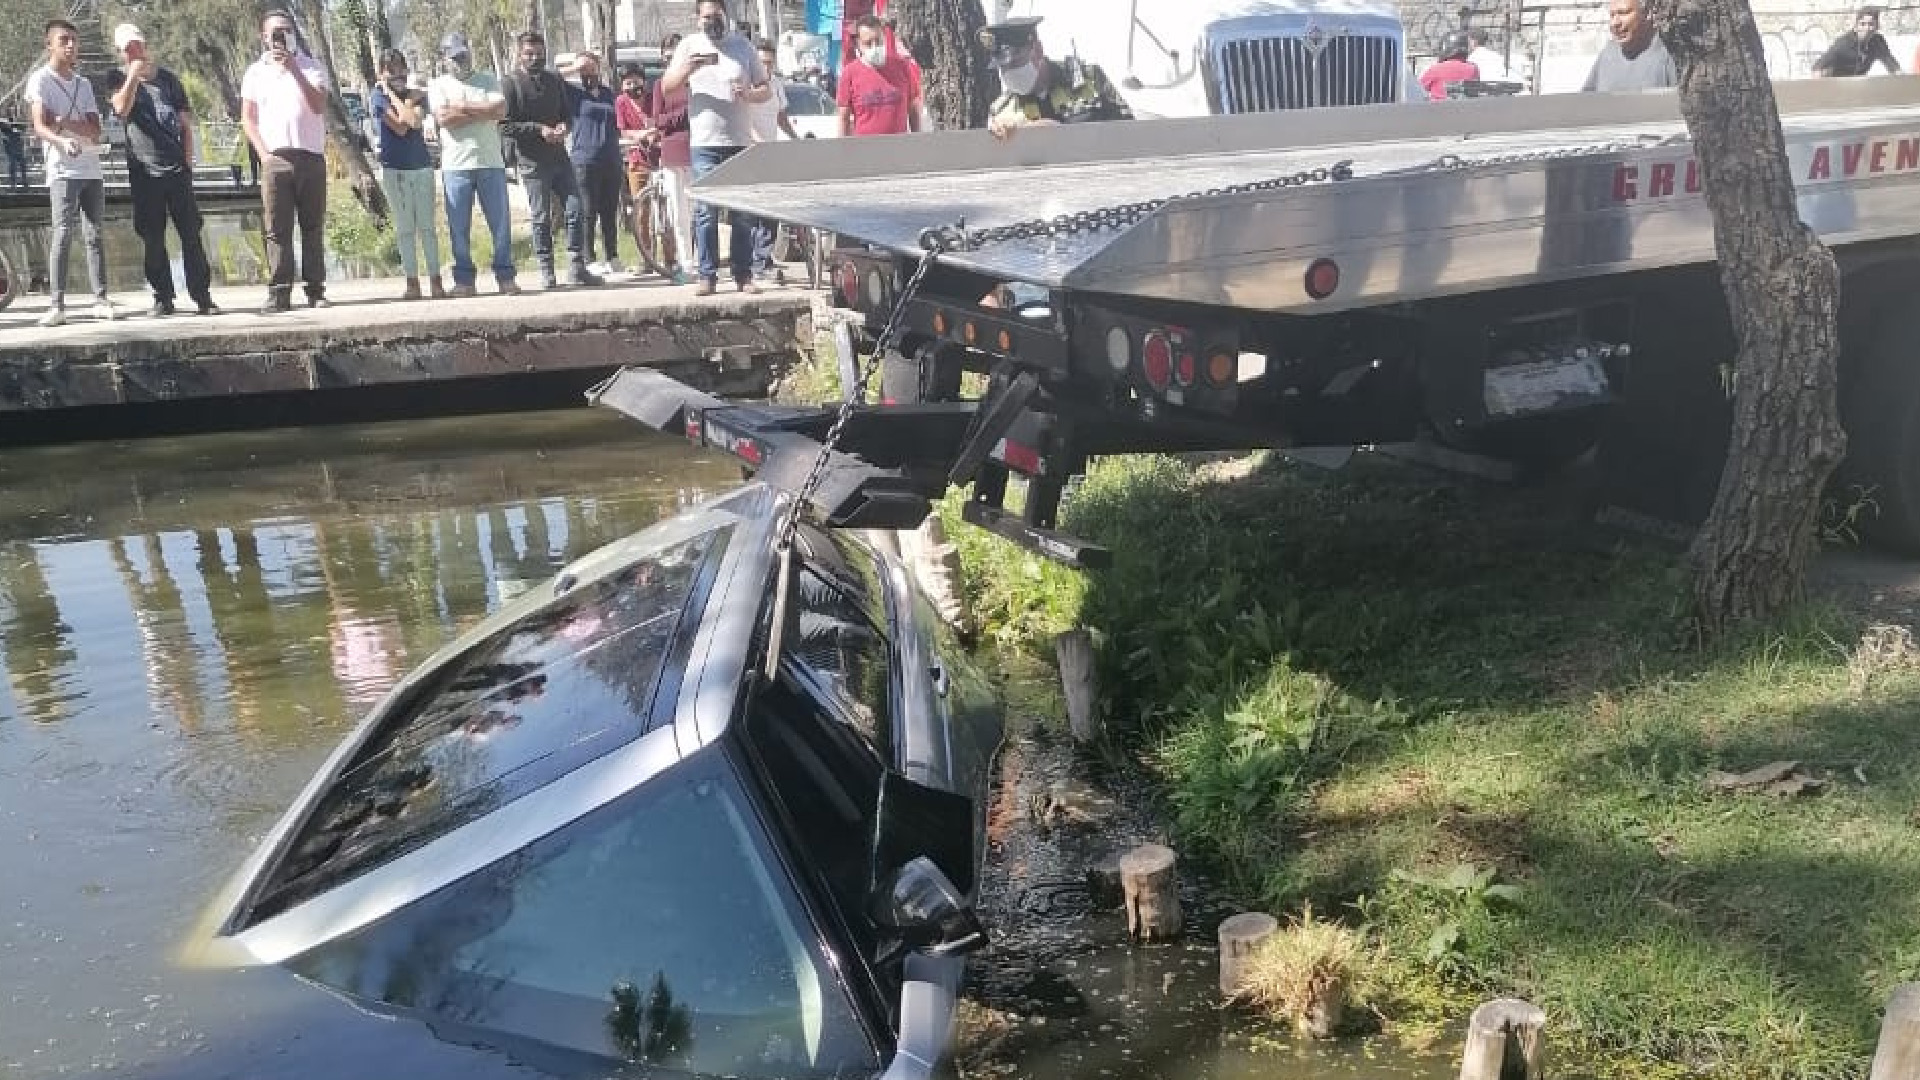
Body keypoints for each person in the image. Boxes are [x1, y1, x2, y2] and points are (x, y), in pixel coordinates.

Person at [660, 0, 773, 296]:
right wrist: (689, 68)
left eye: (718, 15)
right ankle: (707, 275)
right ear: (697, 19)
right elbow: (666, 87)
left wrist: (748, 93)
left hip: (738, 141)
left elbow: (766, 89)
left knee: (741, 212)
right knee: (705, 211)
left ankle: (743, 275)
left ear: (726, 15)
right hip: (705, 143)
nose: (713, 21)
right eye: (707, 17)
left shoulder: (743, 47)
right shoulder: (689, 46)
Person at [107, 23, 217, 318]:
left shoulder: (168, 79)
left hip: (176, 170)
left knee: (191, 233)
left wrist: (188, 161)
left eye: (137, 45)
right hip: (144, 173)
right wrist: (132, 75)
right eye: (127, 48)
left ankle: (202, 296)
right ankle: (163, 297)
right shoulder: (117, 77)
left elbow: (185, 123)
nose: (134, 51)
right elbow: (120, 109)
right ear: (120, 52)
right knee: (152, 237)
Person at [241, 9, 331, 314]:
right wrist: (264, 156)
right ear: (264, 37)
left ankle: (316, 289)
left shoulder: (311, 66)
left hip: (310, 156)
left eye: (286, 30)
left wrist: (294, 69)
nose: (281, 36)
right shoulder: (255, 73)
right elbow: (248, 119)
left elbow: (318, 106)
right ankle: (279, 292)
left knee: (312, 226)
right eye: (275, 32)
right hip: (276, 159)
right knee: (277, 230)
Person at [25, 18, 113, 327]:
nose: (71, 46)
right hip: (62, 169)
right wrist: (62, 138)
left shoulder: (84, 84)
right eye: (64, 40)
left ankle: (101, 299)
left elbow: (95, 130)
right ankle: (57, 304)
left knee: (95, 234)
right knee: (62, 233)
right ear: (49, 45)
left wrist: (62, 121)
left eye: (75, 40)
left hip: (91, 167)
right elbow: (39, 126)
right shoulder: (40, 80)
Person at [503, 31, 600, 289]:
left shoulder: (555, 80)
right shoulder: (511, 83)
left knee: (575, 209)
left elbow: (567, 115)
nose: (535, 58)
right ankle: (546, 270)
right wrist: (538, 129)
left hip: (559, 157)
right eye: (529, 53)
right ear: (519, 54)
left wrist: (563, 128)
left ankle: (577, 266)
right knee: (540, 217)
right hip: (532, 161)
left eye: (539, 53)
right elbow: (505, 126)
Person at [430, 32, 518, 298]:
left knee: (500, 224)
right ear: (445, 58)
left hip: (490, 161)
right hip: (456, 165)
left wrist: (463, 106)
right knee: (459, 226)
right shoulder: (438, 85)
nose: (460, 61)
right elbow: (444, 118)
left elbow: (500, 111)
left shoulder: (488, 79)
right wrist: (482, 110)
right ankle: (465, 280)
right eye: (455, 57)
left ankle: (505, 276)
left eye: (463, 55)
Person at [982, 17, 1133, 141]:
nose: (1010, 72)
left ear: (1038, 50)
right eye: (1003, 67)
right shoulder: (1001, 110)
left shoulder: (1090, 79)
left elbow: (1131, 131)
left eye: (1015, 62)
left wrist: (1061, 132)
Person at [370, 49, 444, 300]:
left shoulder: (418, 95)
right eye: (391, 70)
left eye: (401, 68)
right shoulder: (378, 97)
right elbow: (400, 126)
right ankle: (412, 282)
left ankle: (436, 280)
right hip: (395, 169)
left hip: (421, 166)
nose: (397, 74)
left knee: (427, 226)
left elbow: (414, 122)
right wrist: (392, 93)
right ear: (381, 73)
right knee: (405, 228)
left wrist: (408, 101)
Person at [562, 50, 625, 276]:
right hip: (584, 160)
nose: (589, 73)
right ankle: (589, 258)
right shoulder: (574, 93)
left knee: (609, 210)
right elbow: (551, 78)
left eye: (592, 67)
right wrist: (574, 67)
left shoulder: (608, 94)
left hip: (611, 158)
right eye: (585, 69)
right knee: (588, 210)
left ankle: (612, 255)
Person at [746, 38, 797, 285]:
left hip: (772, 153)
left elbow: (781, 116)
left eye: (769, 62)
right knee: (756, 210)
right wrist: (757, 143)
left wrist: (795, 138)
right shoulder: (747, 85)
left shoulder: (776, 85)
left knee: (772, 210)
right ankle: (757, 262)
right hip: (751, 154)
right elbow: (742, 118)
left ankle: (765, 259)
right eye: (761, 62)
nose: (766, 67)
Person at [648, 33, 696, 285]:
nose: (671, 57)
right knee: (679, 213)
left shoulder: (698, 79)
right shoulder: (660, 85)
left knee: (701, 211)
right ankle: (687, 263)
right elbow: (658, 121)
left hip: (699, 151)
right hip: (673, 152)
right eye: (667, 53)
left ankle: (705, 261)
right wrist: (684, 113)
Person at [837, 15, 921, 137]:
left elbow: (914, 109)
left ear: (885, 38)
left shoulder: (903, 67)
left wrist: (918, 142)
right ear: (858, 45)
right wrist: (843, 151)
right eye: (868, 43)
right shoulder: (849, 73)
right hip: (865, 150)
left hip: (900, 149)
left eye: (878, 41)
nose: (874, 47)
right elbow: (843, 118)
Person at [1580, 0, 1677, 92]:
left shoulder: (1669, 53)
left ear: (1647, 13)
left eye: (1623, 13)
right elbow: (1583, 102)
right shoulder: (1608, 53)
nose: (1614, 23)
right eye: (1612, 15)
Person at [1815, 8, 1900, 77]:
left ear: (1877, 26)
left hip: (1858, 86)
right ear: (1856, 26)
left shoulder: (1878, 41)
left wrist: (1900, 76)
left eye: (1871, 24)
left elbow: (1891, 64)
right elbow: (1817, 68)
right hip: (1837, 86)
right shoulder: (1843, 44)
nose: (1866, 28)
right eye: (1862, 24)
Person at [1420, 31, 1480, 100]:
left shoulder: (1436, 69)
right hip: (1465, 108)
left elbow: (1418, 89)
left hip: (1439, 109)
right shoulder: (1474, 68)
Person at [0, 116, 25, 190]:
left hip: (18, 151)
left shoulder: (15, 130)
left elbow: (22, 128)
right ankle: (13, 183)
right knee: (12, 166)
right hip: (10, 152)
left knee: (22, 165)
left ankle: (24, 182)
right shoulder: (4, 130)